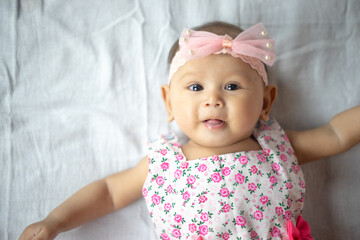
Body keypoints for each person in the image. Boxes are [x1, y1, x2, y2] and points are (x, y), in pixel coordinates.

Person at [19, 22, 360, 240]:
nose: (213, 99)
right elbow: (108, 192)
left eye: (231, 86)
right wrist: (55, 222)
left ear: (266, 102)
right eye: (195, 88)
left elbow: (336, 134)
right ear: (169, 102)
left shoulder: (278, 145)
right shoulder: (162, 162)